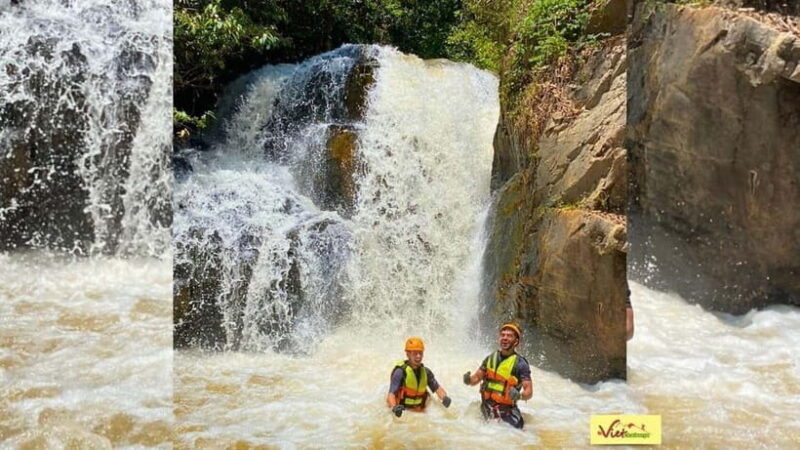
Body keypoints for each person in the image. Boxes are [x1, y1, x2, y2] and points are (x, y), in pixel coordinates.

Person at [463, 323, 532, 429]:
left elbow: (529, 392)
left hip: (507, 413)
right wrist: (469, 380)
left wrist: (520, 396)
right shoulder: (490, 358)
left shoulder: (520, 364)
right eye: (503, 335)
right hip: (486, 408)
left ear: (516, 342)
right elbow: (476, 378)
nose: (505, 338)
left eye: (509, 336)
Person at [387, 337, 451, 417]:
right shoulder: (400, 372)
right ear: (408, 354)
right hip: (402, 411)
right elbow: (391, 394)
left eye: (420, 353)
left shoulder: (426, 372)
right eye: (415, 353)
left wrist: (444, 397)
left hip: (419, 413)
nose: (418, 356)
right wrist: (395, 408)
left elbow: (437, 389)